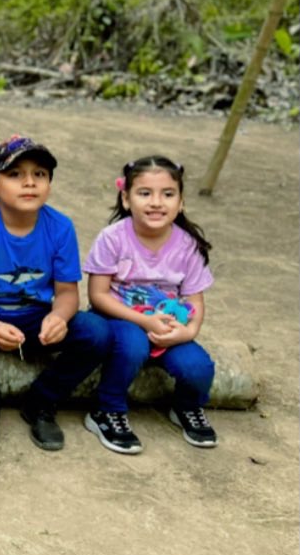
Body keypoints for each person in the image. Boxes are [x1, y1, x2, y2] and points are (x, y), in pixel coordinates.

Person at [0, 135, 109, 451]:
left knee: (98, 332)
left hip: (36, 316)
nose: (29, 182)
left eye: (40, 174)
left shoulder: (60, 227)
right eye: (15, 174)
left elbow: (67, 293)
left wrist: (59, 317)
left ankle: (41, 401)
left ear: (49, 184)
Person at [83, 156, 217, 453]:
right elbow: (98, 296)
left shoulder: (187, 245)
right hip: (119, 319)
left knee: (198, 367)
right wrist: (143, 322)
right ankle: (107, 410)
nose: (156, 202)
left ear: (181, 202)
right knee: (133, 346)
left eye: (167, 194)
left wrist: (188, 332)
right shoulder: (113, 238)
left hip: (168, 326)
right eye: (145, 193)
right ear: (126, 199)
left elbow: (195, 300)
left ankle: (186, 406)